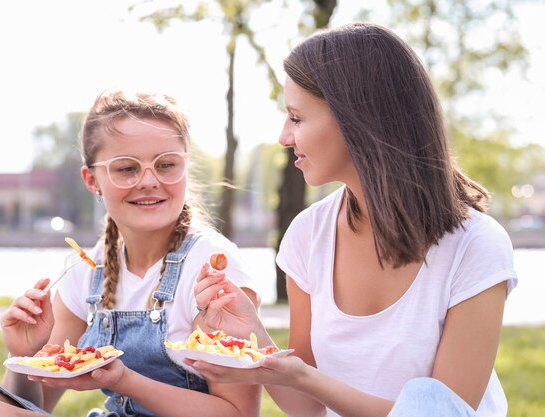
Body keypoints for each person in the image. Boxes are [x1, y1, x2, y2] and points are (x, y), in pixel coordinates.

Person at [190, 22, 517, 417]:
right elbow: (308, 408)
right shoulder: (308, 235)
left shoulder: (475, 245)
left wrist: (303, 377)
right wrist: (253, 335)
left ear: (356, 120)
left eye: (296, 118)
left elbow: (443, 412)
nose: (283, 136)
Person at [0, 91, 262, 417]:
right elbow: (33, 404)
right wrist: (22, 356)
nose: (149, 180)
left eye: (166, 164)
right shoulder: (89, 269)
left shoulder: (212, 266)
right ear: (91, 180)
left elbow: (239, 413)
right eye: (126, 168)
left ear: (185, 167)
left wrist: (125, 380)